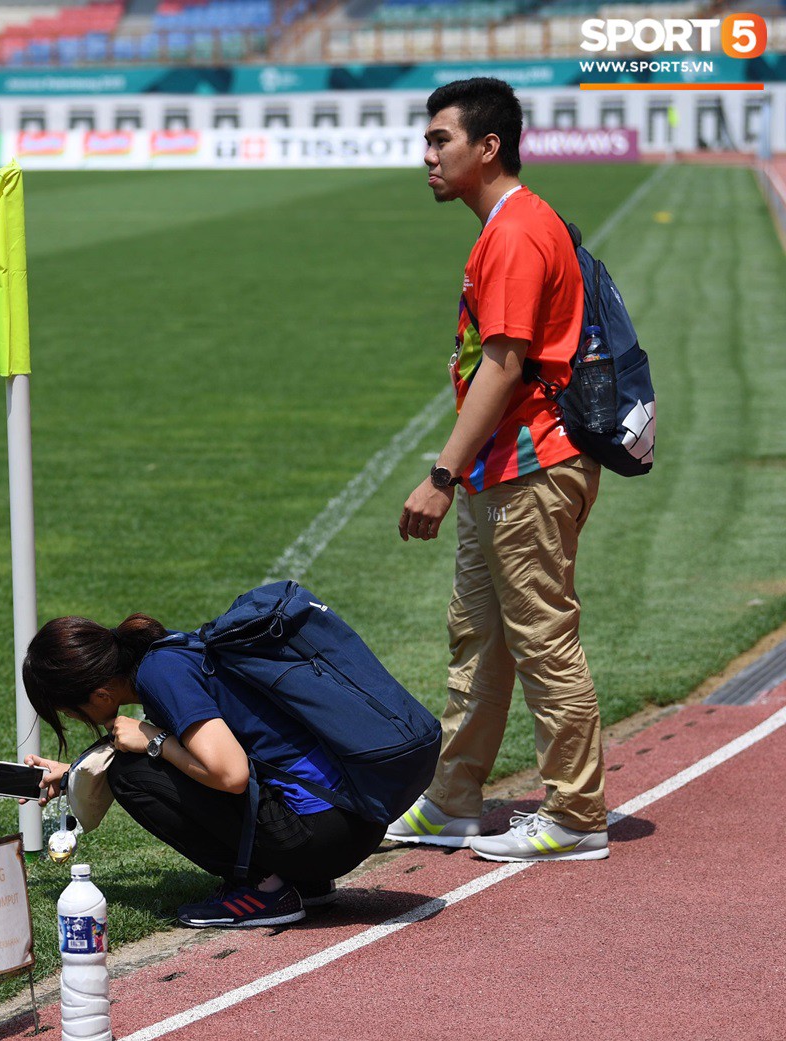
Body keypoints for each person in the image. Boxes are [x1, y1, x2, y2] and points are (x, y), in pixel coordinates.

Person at [387, 77, 607, 863]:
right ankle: (453, 799)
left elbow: (505, 364)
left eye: (439, 139)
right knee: (479, 638)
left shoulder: (515, 232)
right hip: (504, 471)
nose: (427, 154)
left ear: (488, 147)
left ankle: (577, 814)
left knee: (543, 638)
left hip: (530, 468)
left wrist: (440, 476)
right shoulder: (511, 224)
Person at [21, 614, 386, 928]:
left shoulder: (160, 677)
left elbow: (230, 775)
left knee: (129, 774)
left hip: (324, 836)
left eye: (69, 712)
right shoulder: (169, 653)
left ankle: (265, 889)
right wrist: (75, 773)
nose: (71, 720)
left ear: (101, 695)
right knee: (143, 761)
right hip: (355, 813)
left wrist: (156, 741)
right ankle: (306, 883)